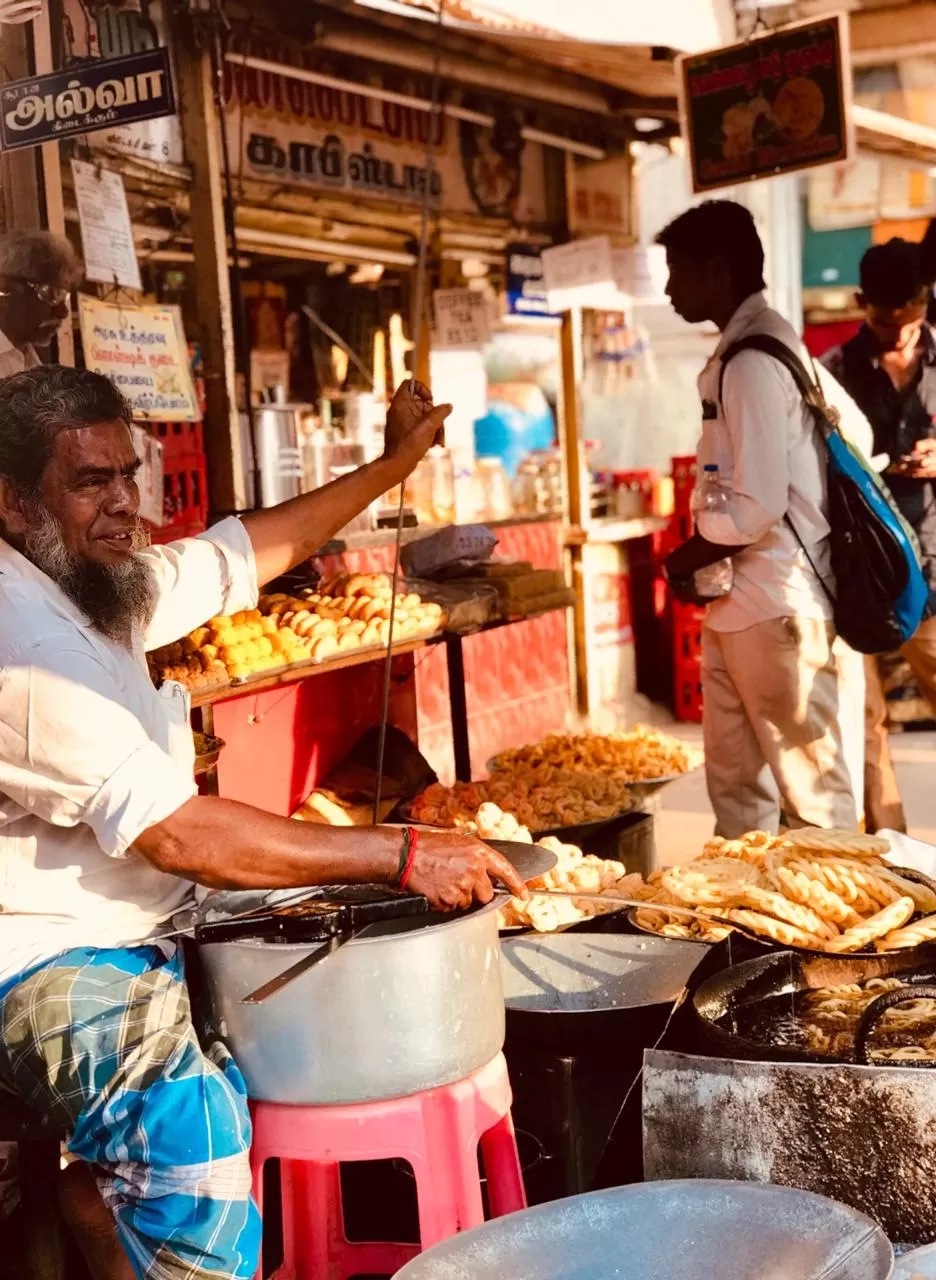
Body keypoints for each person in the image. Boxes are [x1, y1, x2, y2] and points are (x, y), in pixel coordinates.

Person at [0, 365, 526, 1279]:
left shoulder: (91, 580)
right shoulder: (23, 644)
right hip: (43, 958)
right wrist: (401, 852)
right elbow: (177, 833)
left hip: (152, 923)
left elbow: (249, 549)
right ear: (13, 504)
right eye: (92, 482)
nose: (127, 504)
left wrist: (393, 464)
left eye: (130, 474)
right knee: (189, 1128)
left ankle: (107, 1207)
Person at [658, 199, 866, 839]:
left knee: (814, 802)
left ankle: (845, 936)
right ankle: (753, 925)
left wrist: (688, 554)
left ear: (717, 270)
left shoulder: (753, 360)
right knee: (737, 795)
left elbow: (758, 507)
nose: (669, 289)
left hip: (779, 605)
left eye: (678, 271)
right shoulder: (760, 347)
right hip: (745, 605)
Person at [822, 238, 936, 832]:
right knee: (864, 728)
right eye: (884, 320)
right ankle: (895, 858)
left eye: (911, 318)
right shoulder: (833, 374)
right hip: (861, 579)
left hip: (935, 572)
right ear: (861, 302)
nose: (898, 334)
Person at [0, 229, 81, 375]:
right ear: (6, 287)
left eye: (63, 297)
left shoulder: (32, 365)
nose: (63, 312)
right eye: (51, 293)